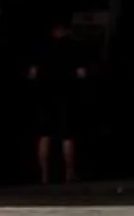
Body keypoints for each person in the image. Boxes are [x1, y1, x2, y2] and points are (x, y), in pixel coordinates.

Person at [27, 18, 93, 184]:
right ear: (67, 30)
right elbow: (82, 73)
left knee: (44, 135)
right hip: (66, 94)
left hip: (45, 94)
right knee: (67, 135)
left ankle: (44, 175)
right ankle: (69, 173)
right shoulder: (74, 47)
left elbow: (32, 73)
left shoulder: (41, 47)